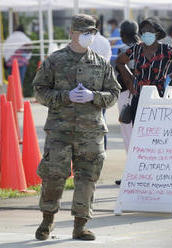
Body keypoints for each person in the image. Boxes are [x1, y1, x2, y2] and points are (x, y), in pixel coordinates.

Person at [32, 14, 121, 241]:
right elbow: (40, 90)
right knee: (53, 176)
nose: (88, 36)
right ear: (72, 33)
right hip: (60, 131)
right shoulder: (55, 60)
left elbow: (114, 94)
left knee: (87, 177)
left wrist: (94, 96)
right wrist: (65, 96)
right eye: (84, 32)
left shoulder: (101, 63)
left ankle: (80, 225)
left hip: (91, 131)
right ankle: (47, 220)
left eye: (91, 32)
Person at [116, 17, 172, 122]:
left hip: (159, 97)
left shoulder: (166, 50)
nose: (146, 33)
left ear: (157, 33)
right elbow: (119, 61)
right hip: (139, 97)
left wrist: (171, 76)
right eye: (143, 31)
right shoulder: (136, 49)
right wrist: (129, 79)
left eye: (150, 31)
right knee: (139, 132)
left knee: (156, 132)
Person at [114, 20, 140, 186]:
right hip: (143, 94)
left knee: (129, 136)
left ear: (123, 34)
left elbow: (122, 73)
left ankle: (132, 173)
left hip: (127, 95)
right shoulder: (145, 47)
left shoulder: (123, 50)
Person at [90, 16, 112, 150]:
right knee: (101, 117)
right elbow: (107, 62)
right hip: (102, 83)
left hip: (86, 84)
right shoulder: (105, 41)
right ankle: (102, 147)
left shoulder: (82, 42)